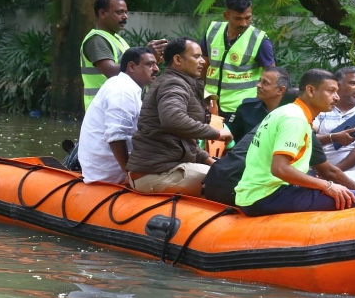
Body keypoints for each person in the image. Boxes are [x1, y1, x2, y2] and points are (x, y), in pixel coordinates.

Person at [204, 88, 355, 205]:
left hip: (219, 181)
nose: (335, 98)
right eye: (330, 92)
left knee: (308, 175)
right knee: (353, 198)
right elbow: (328, 172)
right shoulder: (296, 122)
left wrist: (332, 137)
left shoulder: (273, 118)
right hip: (242, 191)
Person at [235, 69, 355, 216]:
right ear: (310, 90)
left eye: (336, 92)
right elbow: (279, 169)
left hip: (255, 193)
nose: (336, 97)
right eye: (330, 91)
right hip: (267, 195)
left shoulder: (287, 111)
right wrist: (327, 185)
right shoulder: (295, 119)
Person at [126, 37, 233, 196]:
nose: (202, 61)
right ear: (178, 59)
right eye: (196, 57)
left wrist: (208, 160)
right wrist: (216, 133)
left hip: (166, 168)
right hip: (156, 174)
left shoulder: (182, 82)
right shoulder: (173, 84)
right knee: (228, 180)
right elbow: (172, 119)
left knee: (222, 171)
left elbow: (183, 139)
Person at [77, 47, 159, 184]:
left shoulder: (126, 86)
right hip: (110, 174)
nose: (156, 69)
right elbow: (116, 136)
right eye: (149, 64)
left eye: (156, 64)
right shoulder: (122, 90)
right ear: (131, 67)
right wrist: (130, 173)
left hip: (109, 169)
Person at [80, 0, 167, 109]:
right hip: (104, 109)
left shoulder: (118, 39)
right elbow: (112, 73)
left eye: (125, 12)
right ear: (102, 13)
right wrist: (146, 54)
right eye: (119, 12)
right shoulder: (97, 40)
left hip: (119, 105)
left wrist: (151, 60)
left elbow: (131, 71)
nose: (125, 16)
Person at [201, 0, 275, 122]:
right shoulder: (212, 31)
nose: (244, 23)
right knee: (211, 142)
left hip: (243, 108)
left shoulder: (259, 39)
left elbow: (272, 76)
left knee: (236, 142)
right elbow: (202, 66)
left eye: (248, 18)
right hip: (210, 104)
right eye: (238, 19)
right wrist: (201, 95)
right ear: (226, 15)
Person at [314, 67, 355, 170]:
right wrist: (332, 137)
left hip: (352, 176)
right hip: (317, 172)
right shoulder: (321, 110)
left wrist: (334, 173)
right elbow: (307, 138)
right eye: (353, 83)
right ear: (338, 86)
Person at [228, 66, 290, 144]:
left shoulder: (290, 115)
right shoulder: (247, 109)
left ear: (280, 90)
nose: (258, 85)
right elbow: (229, 137)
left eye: (265, 83)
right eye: (260, 81)